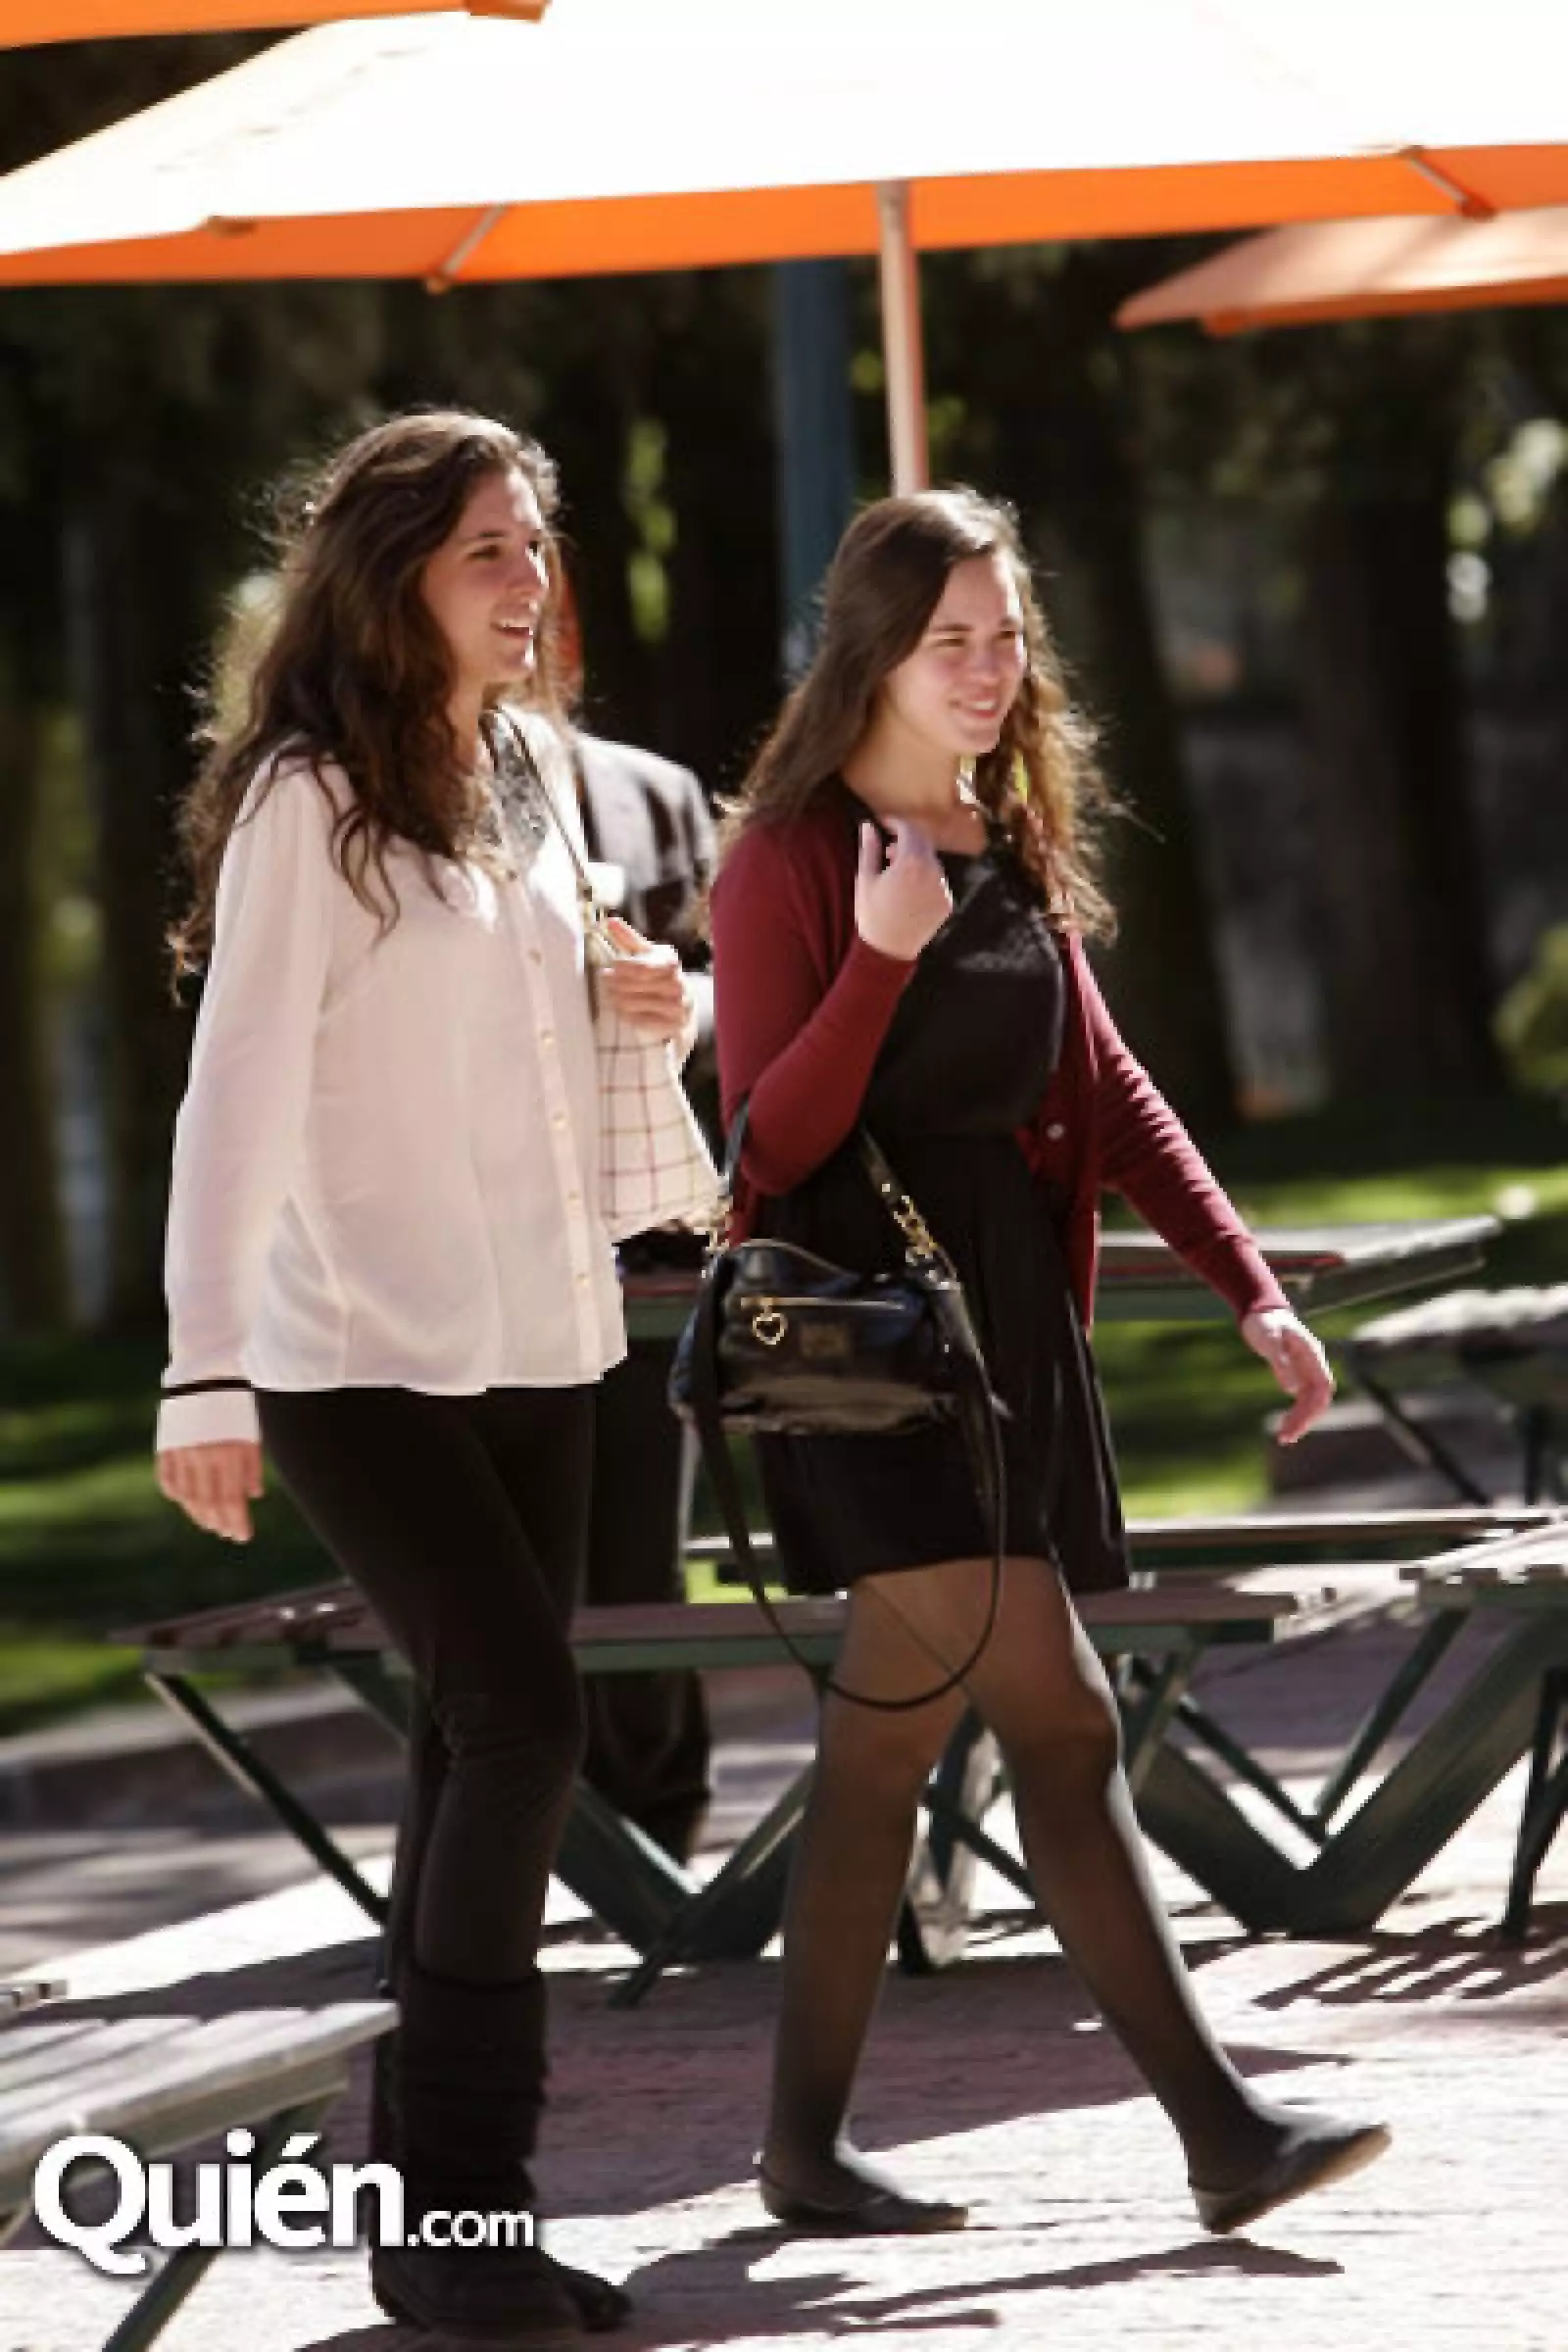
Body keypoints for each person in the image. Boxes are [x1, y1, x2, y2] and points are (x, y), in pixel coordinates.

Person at [709, 488, 1391, 2240]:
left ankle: (799, 2152)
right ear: (872, 651)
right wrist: (877, 959)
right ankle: (1222, 2131)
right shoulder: (789, 854)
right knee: (1065, 1724)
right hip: (874, 1357)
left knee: (881, 1760)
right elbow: (768, 1136)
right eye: (953, 643)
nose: (993, 670)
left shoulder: (998, 823)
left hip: (1008, 1340)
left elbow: (1112, 1089)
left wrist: (1251, 1286)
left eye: (1008, 636)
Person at [154, 410, 693, 2346]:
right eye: (486, 549)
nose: (525, 581)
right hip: (348, 1352)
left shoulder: (530, 776)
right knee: (529, 1725)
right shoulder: (311, 796)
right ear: (390, 574)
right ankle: (467, 2219)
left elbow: (539, 1020)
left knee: (471, 1747)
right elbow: (237, 1089)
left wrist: (659, 996)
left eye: (534, 547)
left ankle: (435, 2230)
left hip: (537, 1337)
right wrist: (200, 1369)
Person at [570, 722, 716, 1864]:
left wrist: (677, 1001)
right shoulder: (383, 783)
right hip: (473, 1240)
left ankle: (655, 1830)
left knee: (637, 1548)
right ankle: (528, 1839)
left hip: (642, 1247)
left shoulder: (651, 790)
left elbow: (731, 982)